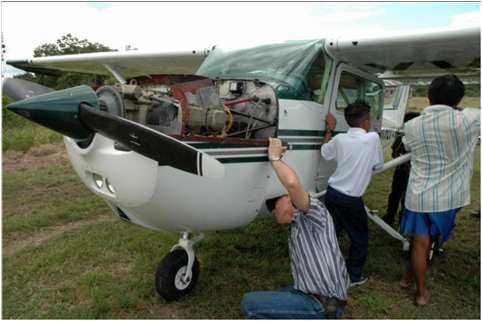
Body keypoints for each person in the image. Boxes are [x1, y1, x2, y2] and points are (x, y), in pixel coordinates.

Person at [241, 137, 350, 319]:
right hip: (313, 294)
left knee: (249, 303)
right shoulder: (296, 226)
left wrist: (275, 159)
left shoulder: (316, 214)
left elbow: (292, 184)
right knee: (281, 293)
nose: (275, 213)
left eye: (276, 206)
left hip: (324, 305)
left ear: (289, 200)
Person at [399, 74, 480, 306]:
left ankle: (409, 279)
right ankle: (421, 292)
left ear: (428, 96)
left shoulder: (412, 125)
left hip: (418, 195)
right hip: (448, 197)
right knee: (430, 242)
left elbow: (407, 146)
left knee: (420, 242)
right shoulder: (469, 119)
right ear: (459, 98)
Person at [321, 100, 384, 287]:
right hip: (351, 199)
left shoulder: (339, 139)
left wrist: (330, 130)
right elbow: (378, 165)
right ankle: (354, 275)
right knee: (359, 238)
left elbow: (325, 152)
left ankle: (323, 267)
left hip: (332, 194)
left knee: (330, 233)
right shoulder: (373, 138)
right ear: (366, 121)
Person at [382, 112, 421, 227]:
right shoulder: (401, 137)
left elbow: (394, 153)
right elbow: (394, 152)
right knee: (396, 195)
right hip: (401, 172)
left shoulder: (417, 138)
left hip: (411, 173)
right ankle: (390, 217)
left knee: (405, 198)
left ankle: (401, 220)